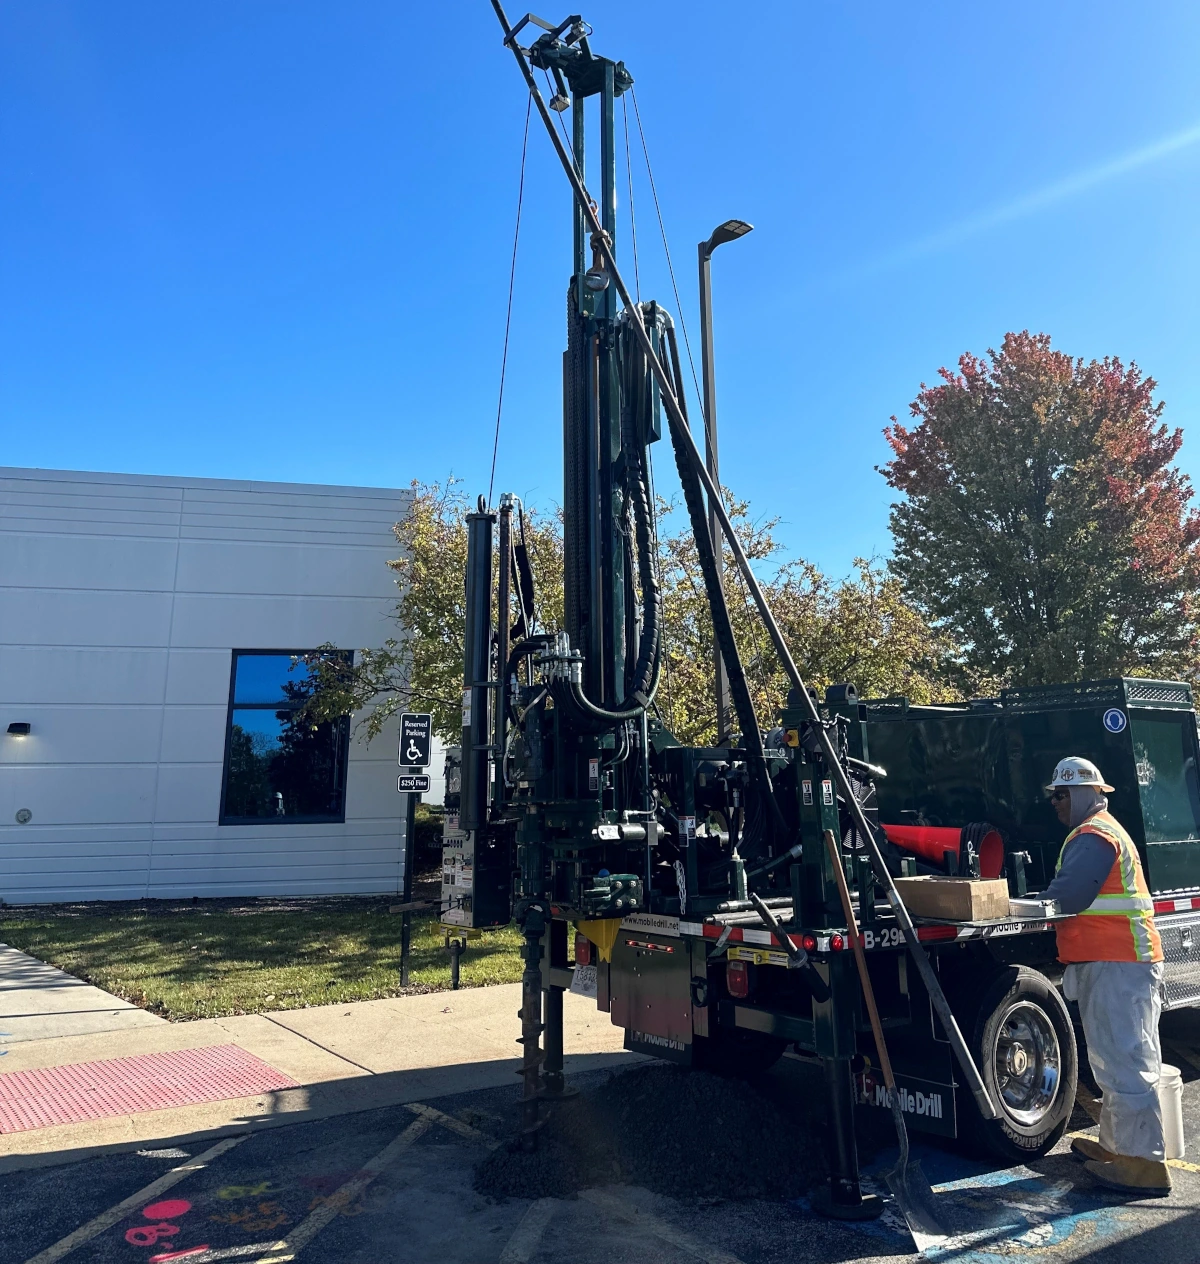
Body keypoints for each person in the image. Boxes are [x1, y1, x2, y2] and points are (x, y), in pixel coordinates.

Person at [1038, 756, 1169, 1195]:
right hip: (1118, 962)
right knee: (1114, 1060)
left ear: (1083, 793)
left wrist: (1025, 906)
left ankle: (1143, 1165)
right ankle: (1118, 1147)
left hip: (1119, 964)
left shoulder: (1093, 835)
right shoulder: (1099, 831)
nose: (1054, 803)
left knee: (1126, 1061)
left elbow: (1070, 894)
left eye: (1059, 794)